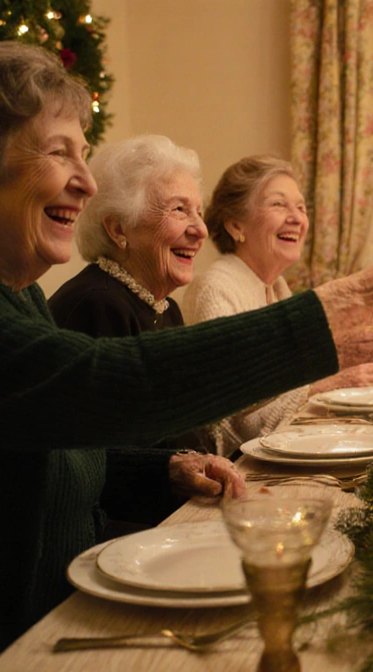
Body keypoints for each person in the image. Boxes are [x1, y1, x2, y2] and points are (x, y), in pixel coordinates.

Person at [0, 40, 373, 670]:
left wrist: (161, 469)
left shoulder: (4, 294)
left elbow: (50, 442)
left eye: (84, 153)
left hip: (64, 624)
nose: (88, 181)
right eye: (58, 152)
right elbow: (101, 386)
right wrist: (344, 303)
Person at [49, 134, 229, 532]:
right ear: (118, 229)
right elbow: (91, 464)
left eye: (198, 212)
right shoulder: (96, 304)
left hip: (177, 518)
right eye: (179, 210)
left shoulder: (164, 306)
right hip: (123, 536)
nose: (199, 230)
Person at [183, 155, 373, 455]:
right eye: (278, 205)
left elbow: (289, 385)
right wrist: (326, 386)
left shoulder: (276, 288)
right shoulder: (216, 289)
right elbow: (234, 422)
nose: (297, 218)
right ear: (236, 224)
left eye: (301, 207)